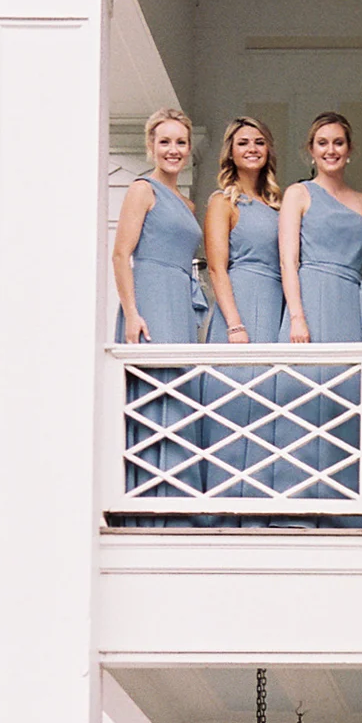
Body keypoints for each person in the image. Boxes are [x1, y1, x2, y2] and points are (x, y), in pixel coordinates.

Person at [278, 112, 362, 512]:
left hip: (351, 303)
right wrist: (297, 316)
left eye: (338, 142)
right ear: (311, 151)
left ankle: (345, 506)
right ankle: (297, 503)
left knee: (348, 401)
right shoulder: (298, 194)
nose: (330, 150)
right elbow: (288, 261)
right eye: (322, 143)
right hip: (312, 297)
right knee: (303, 397)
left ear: (349, 151)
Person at [111, 107, 203, 499]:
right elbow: (120, 254)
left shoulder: (187, 203)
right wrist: (132, 313)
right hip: (151, 295)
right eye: (164, 141)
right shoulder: (142, 190)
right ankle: (152, 495)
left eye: (180, 142)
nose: (173, 149)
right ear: (151, 146)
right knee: (156, 386)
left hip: (180, 299)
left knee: (181, 388)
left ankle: (179, 490)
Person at [201, 115, 287, 504]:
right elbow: (217, 266)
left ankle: (264, 497)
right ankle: (229, 502)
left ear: (268, 150)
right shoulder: (223, 202)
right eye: (242, 143)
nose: (251, 148)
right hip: (241, 303)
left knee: (273, 397)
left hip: (276, 303)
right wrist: (234, 324)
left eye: (258, 141)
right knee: (237, 399)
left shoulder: (279, 204)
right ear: (230, 154)